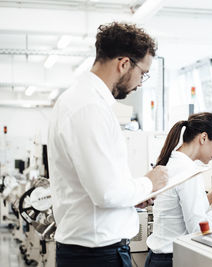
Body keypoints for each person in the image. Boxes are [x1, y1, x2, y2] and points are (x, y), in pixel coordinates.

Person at [47, 22, 168, 267]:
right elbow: (106, 193)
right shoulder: (89, 107)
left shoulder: (82, 101)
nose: (141, 82)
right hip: (95, 256)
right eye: (143, 73)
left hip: (91, 252)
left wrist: (135, 194)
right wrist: (149, 183)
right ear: (124, 64)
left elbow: (101, 187)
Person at [144, 112, 212, 267]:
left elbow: (180, 213)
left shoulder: (174, 162)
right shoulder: (188, 170)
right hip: (170, 259)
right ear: (203, 138)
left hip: (158, 258)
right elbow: (198, 229)